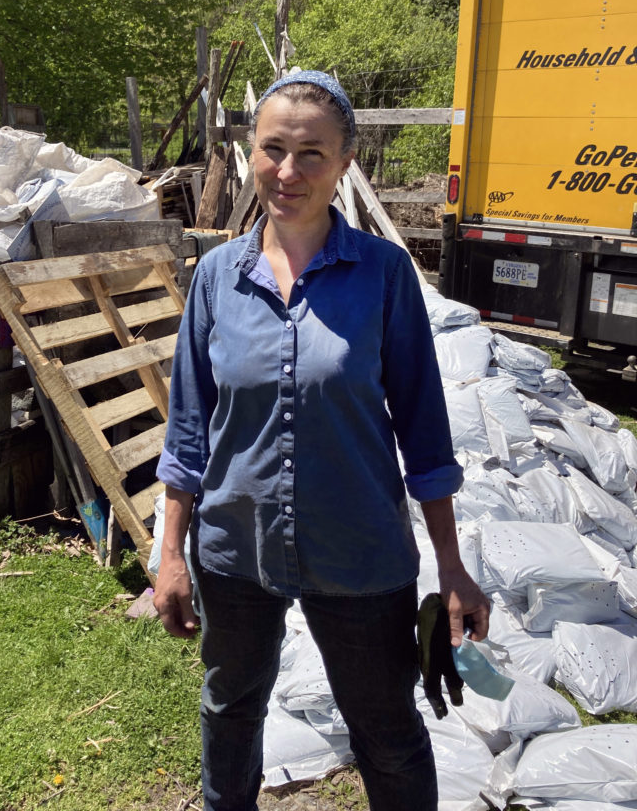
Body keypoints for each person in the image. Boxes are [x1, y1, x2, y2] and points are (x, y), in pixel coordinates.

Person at [153, 69, 489, 811]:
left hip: (361, 551)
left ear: (344, 164)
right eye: (273, 148)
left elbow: (426, 434)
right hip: (234, 548)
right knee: (229, 709)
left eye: (312, 153)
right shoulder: (215, 278)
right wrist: (170, 553)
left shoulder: (383, 274)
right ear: (250, 151)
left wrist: (451, 566)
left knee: (387, 731)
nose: (288, 170)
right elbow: (187, 432)